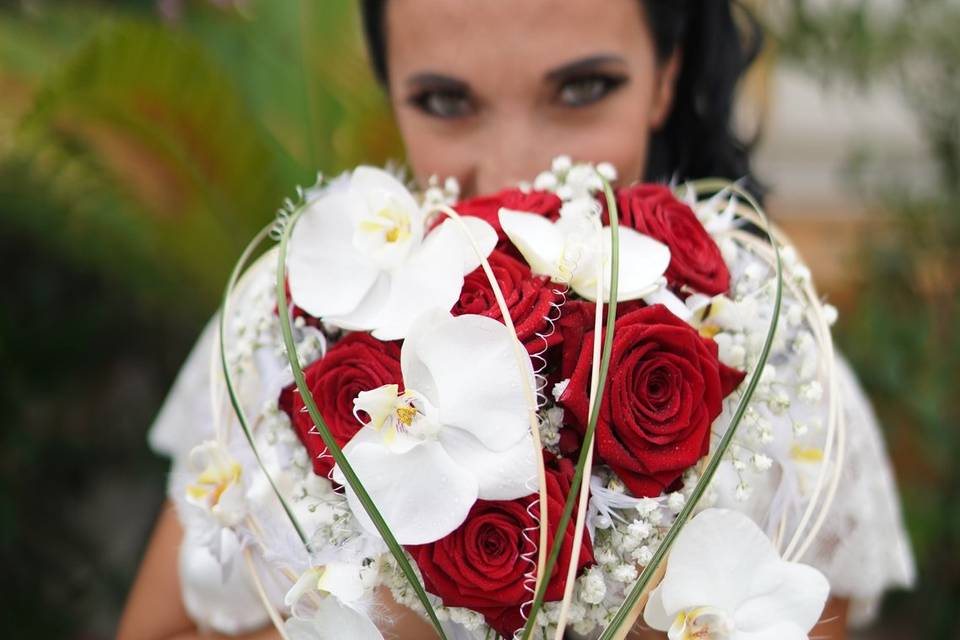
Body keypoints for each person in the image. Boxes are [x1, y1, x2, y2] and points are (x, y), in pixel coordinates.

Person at [117, 1, 915, 638]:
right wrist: (403, 609)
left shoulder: (774, 361)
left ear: (666, 76)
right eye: (443, 102)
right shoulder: (281, 337)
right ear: (389, 86)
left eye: (581, 90)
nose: (511, 172)